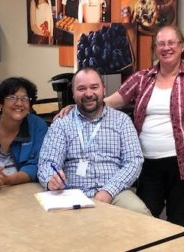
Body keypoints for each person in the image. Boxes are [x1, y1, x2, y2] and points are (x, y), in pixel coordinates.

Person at [55, 25, 184, 229]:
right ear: (155, 48)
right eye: (160, 44)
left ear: (182, 46)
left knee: (178, 218)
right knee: (143, 220)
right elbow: (113, 101)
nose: (166, 48)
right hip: (147, 164)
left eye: (171, 43)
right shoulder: (143, 77)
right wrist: (79, 105)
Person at [37, 67, 151, 215]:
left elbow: (134, 161)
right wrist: (50, 179)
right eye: (81, 89)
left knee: (140, 213)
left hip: (115, 192)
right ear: (73, 94)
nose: (88, 94)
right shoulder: (61, 124)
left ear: (104, 89)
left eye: (94, 87)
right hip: (72, 193)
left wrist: (108, 191)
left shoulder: (122, 121)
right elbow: (47, 163)